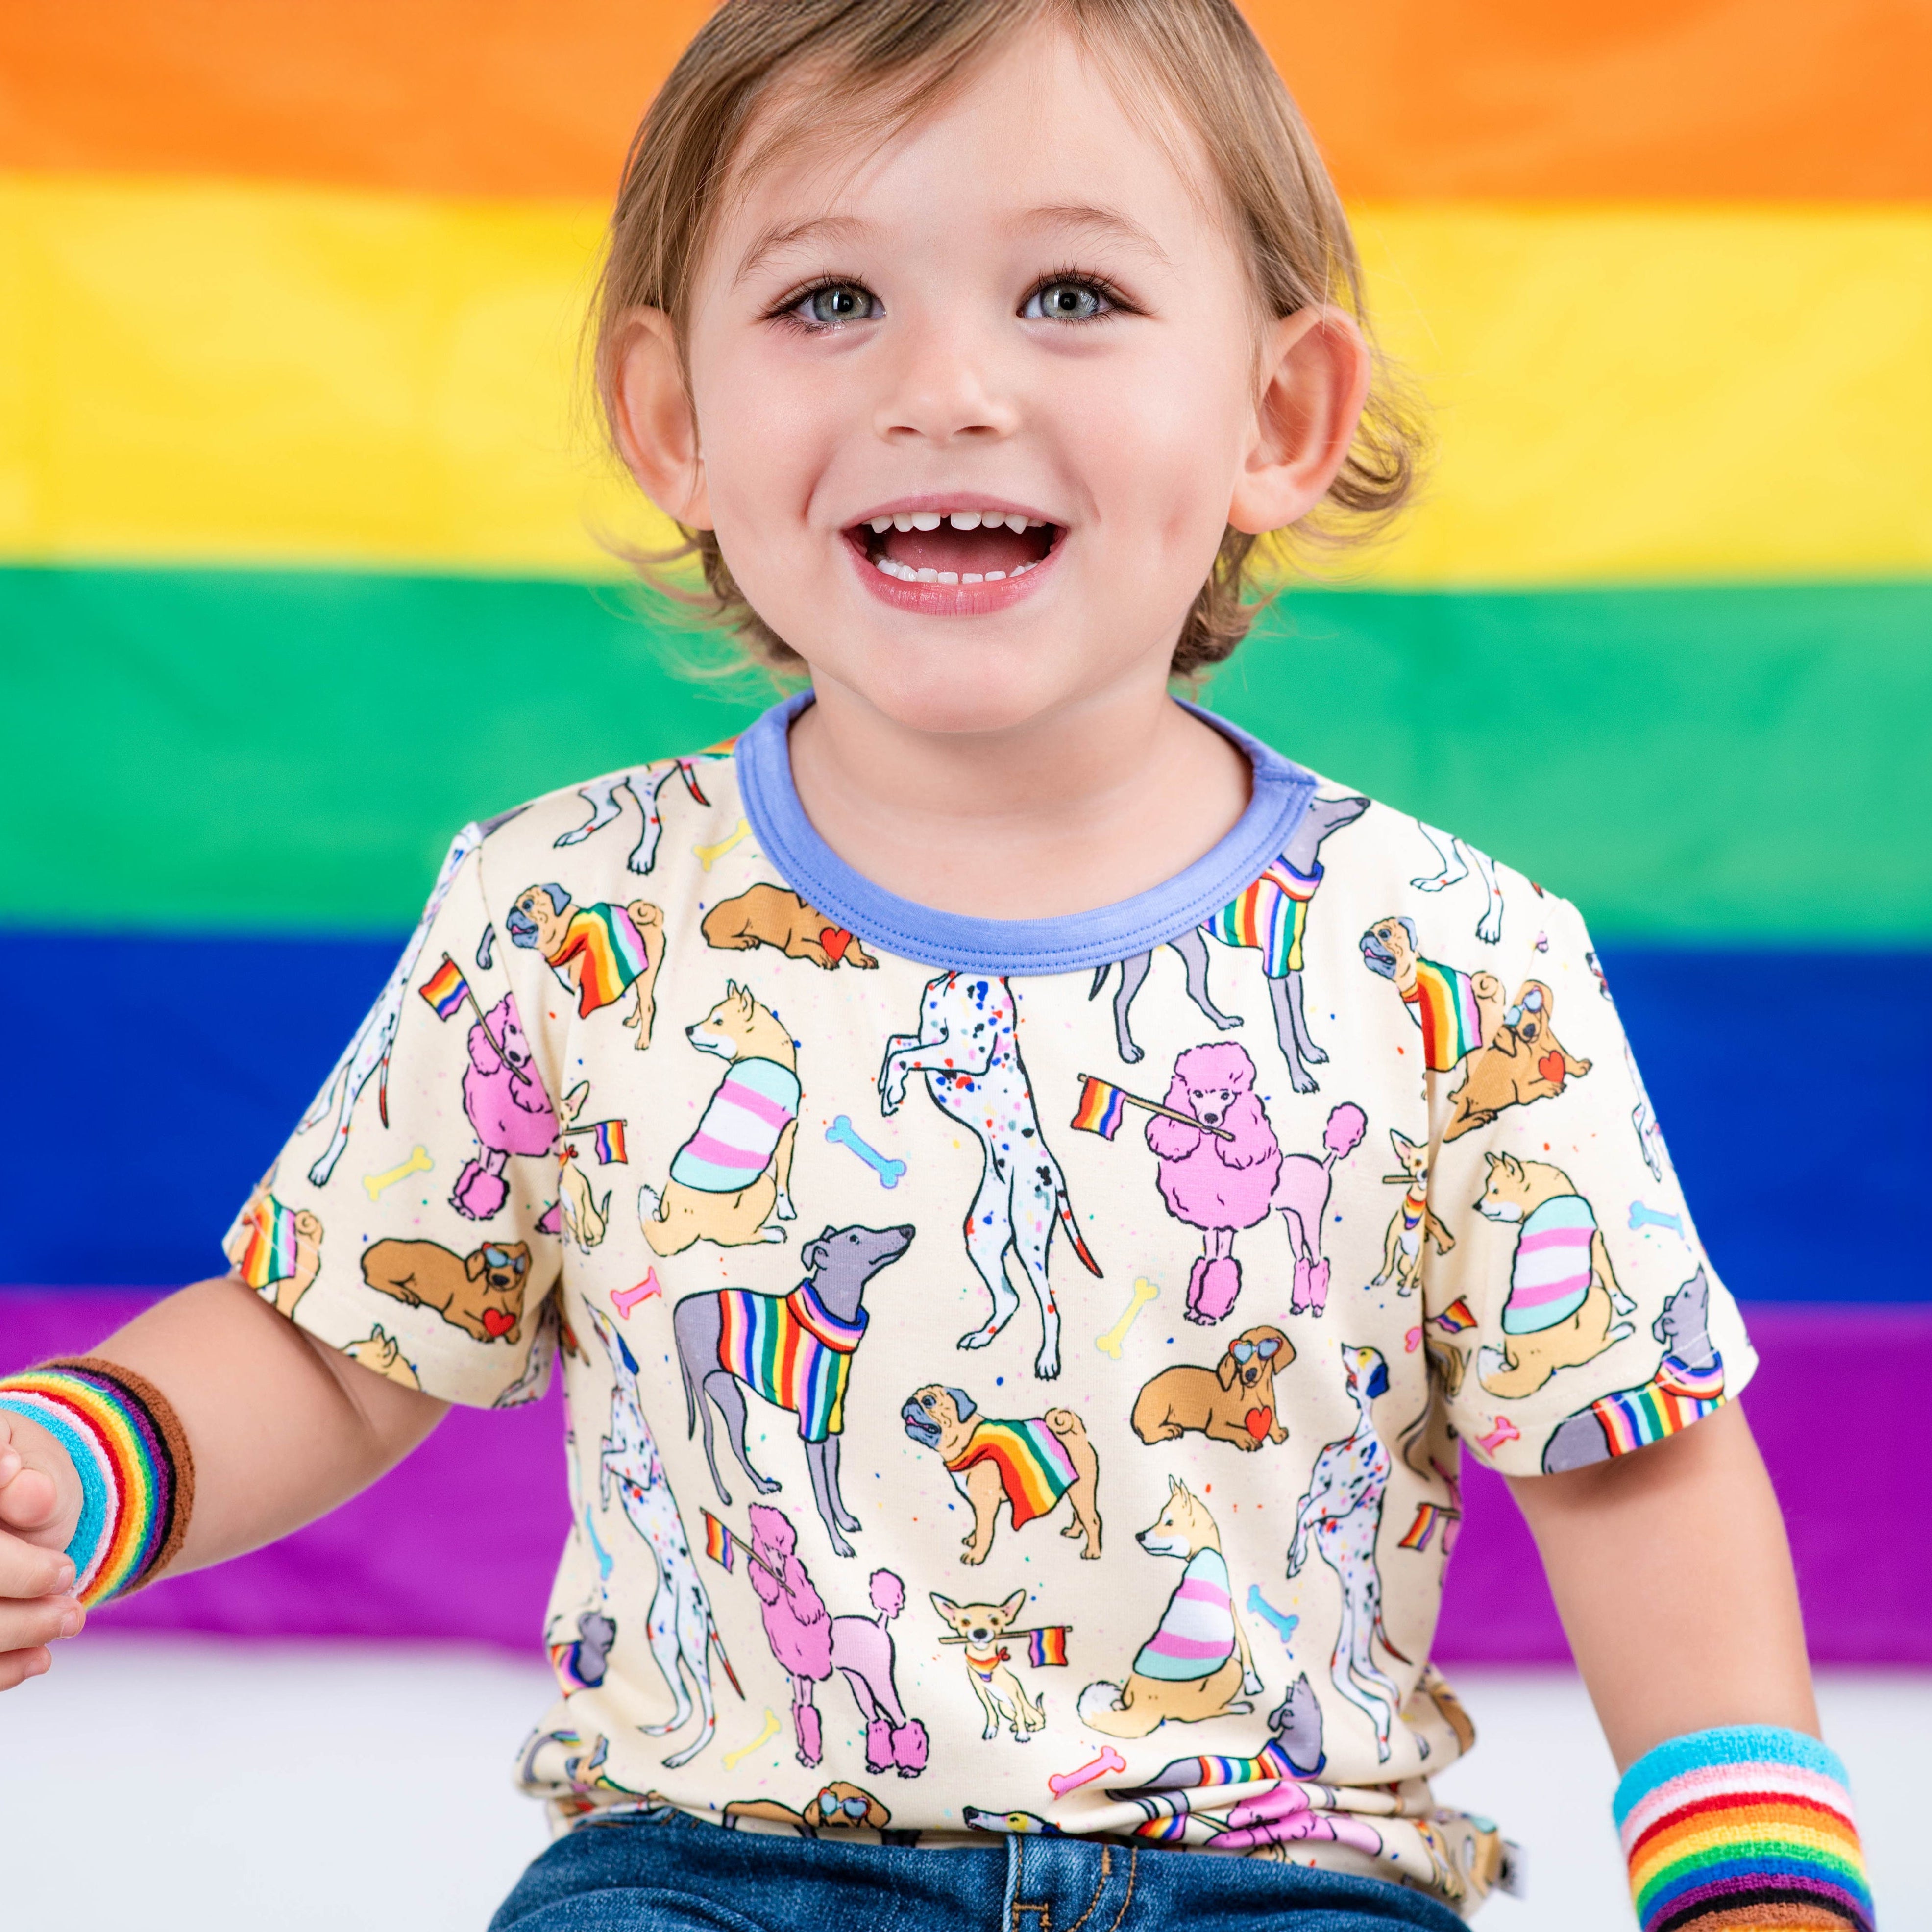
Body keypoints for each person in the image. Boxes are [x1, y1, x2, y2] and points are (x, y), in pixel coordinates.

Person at [0, 4, 1873, 1928]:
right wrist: (78, 1463)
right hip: (712, 1870)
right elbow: (341, 1331)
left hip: (1275, 1882)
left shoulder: (1456, 965)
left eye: (1068, 290)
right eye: (827, 302)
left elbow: (1625, 1444)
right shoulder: (569, 913)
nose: (947, 386)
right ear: (674, 424)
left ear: (1277, 419)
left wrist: (1749, 1883)